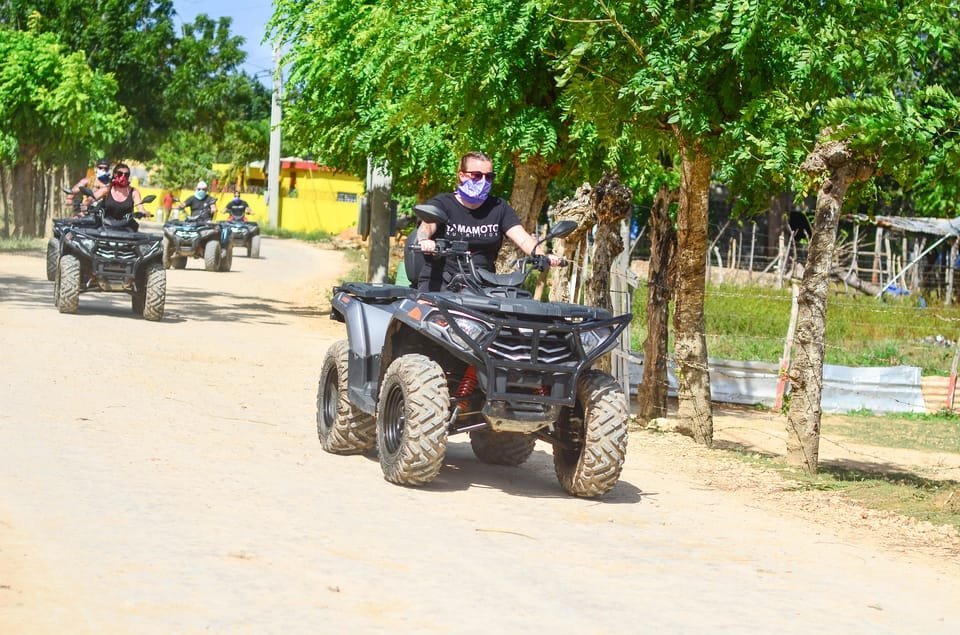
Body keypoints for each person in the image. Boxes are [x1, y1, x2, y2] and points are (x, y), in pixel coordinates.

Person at [415, 151, 562, 291]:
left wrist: (542, 256)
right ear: (462, 176)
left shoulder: (498, 207)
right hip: (440, 281)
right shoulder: (443, 203)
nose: (483, 181)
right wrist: (424, 241)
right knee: (429, 314)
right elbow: (426, 227)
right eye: (477, 176)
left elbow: (522, 238)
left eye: (489, 177)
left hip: (483, 284)